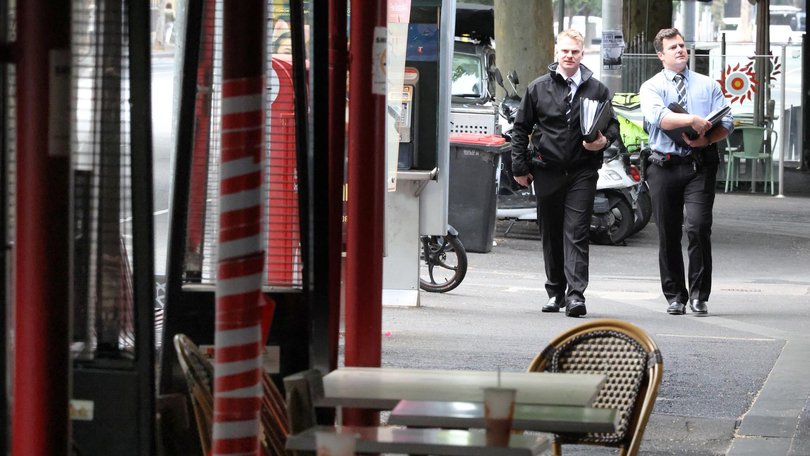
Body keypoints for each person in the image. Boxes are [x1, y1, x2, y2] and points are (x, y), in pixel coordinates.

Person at [511, 29, 620, 317]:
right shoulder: (538, 88)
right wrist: (520, 168)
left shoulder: (597, 89)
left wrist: (603, 141)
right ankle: (555, 291)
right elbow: (520, 129)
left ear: (583, 54)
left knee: (577, 232)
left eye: (575, 51)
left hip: (582, 171)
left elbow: (613, 126)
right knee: (551, 232)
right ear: (556, 53)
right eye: (565, 51)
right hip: (547, 170)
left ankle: (576, 296)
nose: (569, 56)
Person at [639, 28, 733, 316]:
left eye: (682, 45)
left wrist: (706, 138)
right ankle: (675, 296)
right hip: (663, 165)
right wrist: (691, 119)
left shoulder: (708, 85)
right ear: (660, 55)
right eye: (673, 47)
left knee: (698, 227)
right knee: (668, 232)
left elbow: (727, 121)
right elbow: (659, 117)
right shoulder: (652, 87)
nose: (680, 50)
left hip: (699, 165)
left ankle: (699, 295)